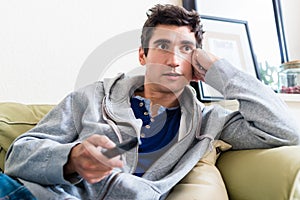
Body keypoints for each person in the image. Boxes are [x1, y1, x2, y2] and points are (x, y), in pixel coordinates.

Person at [2, 4, 299, 200]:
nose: (173, 60)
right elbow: (18, 156)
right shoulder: (91, 97)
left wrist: (219, 70)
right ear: (143, 55)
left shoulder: (210, 122)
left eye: (186, 49)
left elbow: (286, 130)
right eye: (162, 46)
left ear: (196, 65)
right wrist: (71, 158)